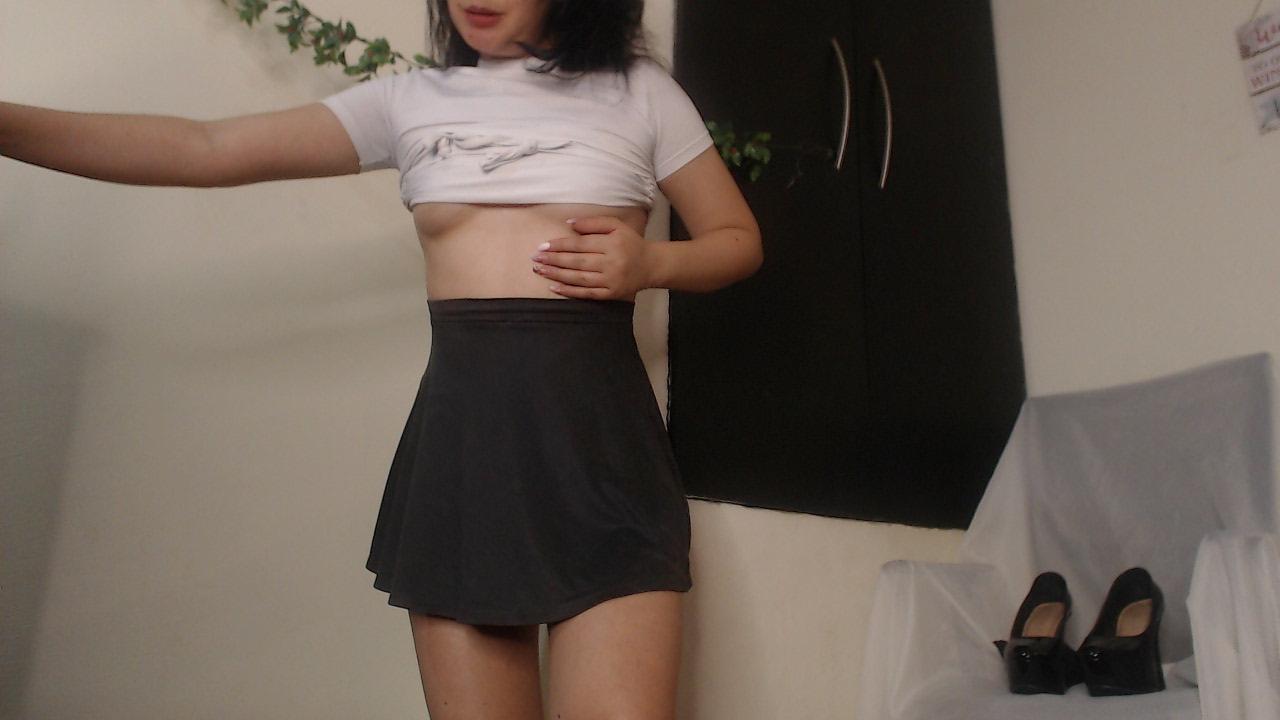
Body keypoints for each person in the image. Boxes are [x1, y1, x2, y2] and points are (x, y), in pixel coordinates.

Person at [0, 0, 761, 717]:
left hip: (604, 462)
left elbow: (737, 240)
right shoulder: (410, 100)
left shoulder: (640, 92)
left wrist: (649, 263)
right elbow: (208, 148)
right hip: (466, 463)